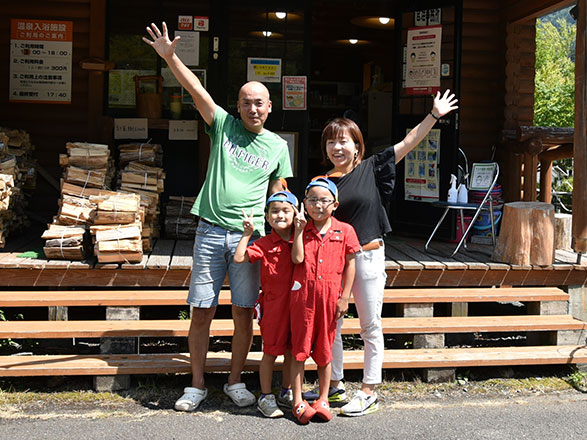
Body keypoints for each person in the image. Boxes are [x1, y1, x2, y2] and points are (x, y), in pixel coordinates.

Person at [143, 22, 293, 412]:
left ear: (270, 107)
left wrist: (292, 230)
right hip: (210, 231)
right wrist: (170, 56)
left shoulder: (278, 146)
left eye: (260, 102)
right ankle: (195, 385)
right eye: (247, 102)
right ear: (238, 105)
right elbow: (195, 88)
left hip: (252, 238)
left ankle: (233, 381)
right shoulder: (223, 125)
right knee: (202, 309)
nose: (253, 108)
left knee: (244, 312)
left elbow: (280, 196)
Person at [308, 90, 458, 416]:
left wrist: (433, 116)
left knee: (369, 325)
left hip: (367, 257)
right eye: (331, 142)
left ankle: (369, 389)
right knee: (331, 324)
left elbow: (408, 143)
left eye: (344, 141)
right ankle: (333, 386)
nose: (337, 147)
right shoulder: (320, 182)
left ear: (357, 145)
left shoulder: (372, 168)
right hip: (332, 262)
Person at [289, 178, 361, 424]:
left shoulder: (345, 230)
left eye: (323, 200)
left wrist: (345, 297)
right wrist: (298, 230)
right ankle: (297, 399)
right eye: (312, 200)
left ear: (335, 204)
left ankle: (323, 398)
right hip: (302, 299)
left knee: (325, 350)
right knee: (299, 350)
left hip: (330, 299)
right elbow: (297, 260)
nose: (317, 205)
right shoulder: (301, 229)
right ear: (305, 203)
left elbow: (351, 264)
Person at [233, 191, 306, 418]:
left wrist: (301, 231)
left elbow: (300, 259)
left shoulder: (302, 238)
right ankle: (265, 396)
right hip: (273, 306)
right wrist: (247, 233)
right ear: (266, 217)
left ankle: (287, 390)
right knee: (271, 351)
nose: (280, 215)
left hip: (298, 305)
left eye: (286, 210)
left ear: (295, 214)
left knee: (292, 351)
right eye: (274, 211)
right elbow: (239, 258)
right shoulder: (264, 243)